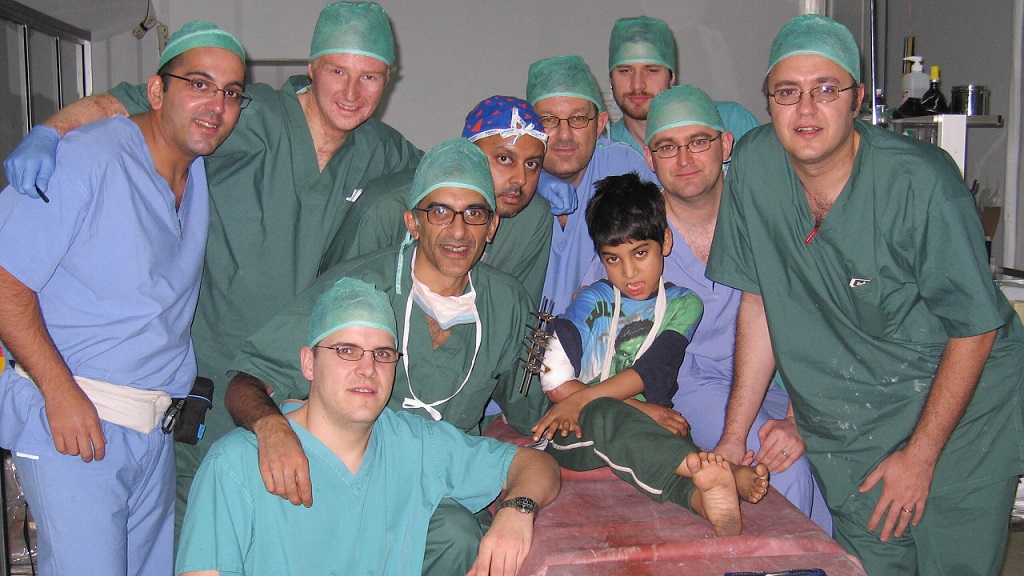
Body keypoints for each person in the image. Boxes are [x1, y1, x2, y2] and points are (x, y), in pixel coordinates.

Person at [3, 1, 421, 532]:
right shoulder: (247, 115)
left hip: (286, 382)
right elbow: (122, 106)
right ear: (312, 67)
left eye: (370, 77)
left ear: (388, 81)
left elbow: (456, 182)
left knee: (265, 531)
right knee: (186, 527)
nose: (351, 92)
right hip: (198, 372)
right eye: (338, 71)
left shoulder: (380, 151)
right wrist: (50, 132)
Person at [707, 14, 1024, 575]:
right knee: (871, 561)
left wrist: (920, 459)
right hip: (852, 417)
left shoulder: (920, 183)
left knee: (952, 562)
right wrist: (734, 438)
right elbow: (762, 302)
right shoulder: (754, 169)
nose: (806, 109)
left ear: (855, 100)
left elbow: (975, 328)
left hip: (963, 410)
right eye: (788, 92)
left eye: (826, 89)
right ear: (769, 102)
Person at [225, 138, 547, 575]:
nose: (458, 231)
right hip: (342, 482)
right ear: (412, 222)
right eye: (439, 212)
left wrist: (612, 402)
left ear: (491, 228)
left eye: (474, 213)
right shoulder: (357, 289)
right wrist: (272, 430)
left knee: (457, 533)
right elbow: (248, 379)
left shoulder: (508, 304)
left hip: (437, 491)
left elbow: (538, 414)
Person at [0, 22, 246, 575]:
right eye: (199, 84)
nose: (216, 105)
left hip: (151, 430)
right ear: (156, 92)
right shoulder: (88, 160)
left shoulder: (196, 172)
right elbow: (5, 280)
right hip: (75, 421)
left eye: (231, 92)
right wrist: (58, 392)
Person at [176, 277, 560, 576]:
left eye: (382, 354)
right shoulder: (236, 464)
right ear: (309, 363)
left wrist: (517, 510)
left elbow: (536, 466)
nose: (367, 368)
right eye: (346, 351)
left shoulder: (412, 444)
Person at [592, 84, 832, 531]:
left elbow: (810, 316)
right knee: (780, 468)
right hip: (691, 384)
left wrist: (798, 419)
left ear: (726, 144)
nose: (683, 160)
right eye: (667, 147)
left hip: (781, 377)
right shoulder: (637, 234)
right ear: (649, 157)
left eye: (698, 142)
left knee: (831, 463)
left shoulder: (766, 218)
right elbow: (597, 330)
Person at [529, 173, 768, 537]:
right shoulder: (592, 300)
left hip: (642, 425)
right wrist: (643, 410)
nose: (629, 272)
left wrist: (647, 413)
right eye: (613, 259)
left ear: (665, 242)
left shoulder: (683, 304)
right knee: (609, 415)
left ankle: (704, 500)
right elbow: (555, 378)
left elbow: (652, 370)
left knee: (659, 439)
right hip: (573, 426)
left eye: (640, 253)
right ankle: (717, 469)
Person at [324, 95, 551, 305]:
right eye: (504, 159)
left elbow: (515, 316)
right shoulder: (385, 208)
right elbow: (334, 304)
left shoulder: (532, 218)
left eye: (532, 164)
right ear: (467, 152)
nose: (520, 179)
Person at [526, 54, 657, 314]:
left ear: (599, 125)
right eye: (549, 120)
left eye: (577, 119)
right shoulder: (511, 184)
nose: (564, 136)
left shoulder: (626, 169)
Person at [606, 16, 760, 154]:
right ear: (610, 78)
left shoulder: (732, 122)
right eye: (625, 71)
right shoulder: (606, 153)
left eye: (651, 70)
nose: (637, 85)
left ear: (672, 76)